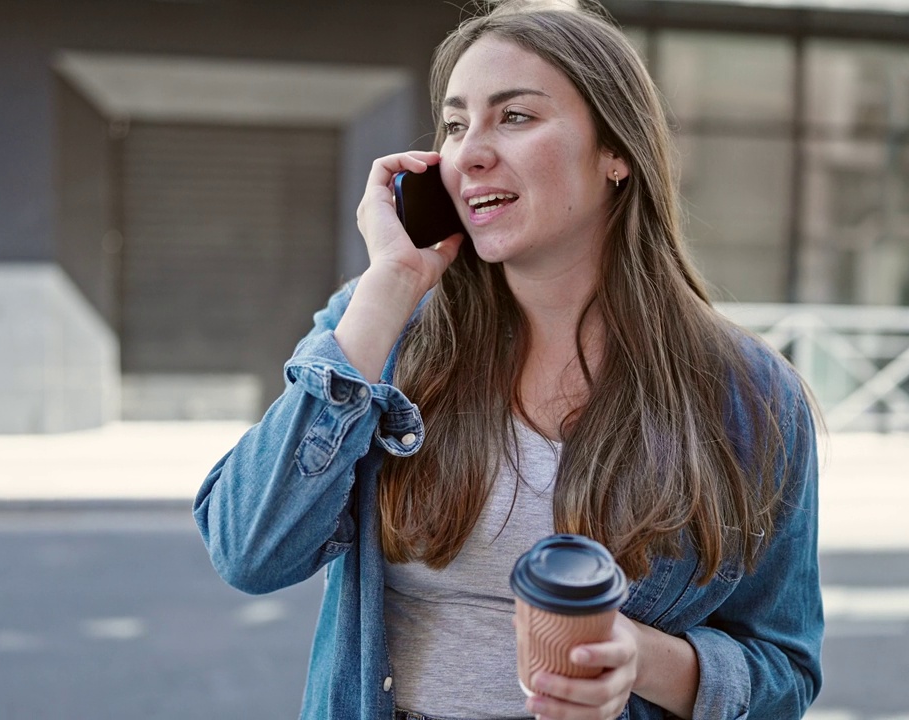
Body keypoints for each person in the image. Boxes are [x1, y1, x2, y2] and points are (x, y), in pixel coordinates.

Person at [193, 2, 823, 719]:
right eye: (456, 125)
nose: (470, 153)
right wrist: (389, 286)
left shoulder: (749, 394)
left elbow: (784, 669)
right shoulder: (380, 331)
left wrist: (637, 659)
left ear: (616, 152)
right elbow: (250, 550)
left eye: (515, 117)